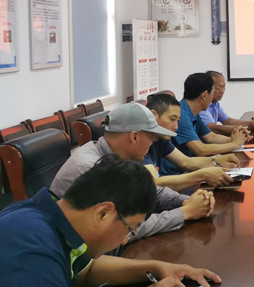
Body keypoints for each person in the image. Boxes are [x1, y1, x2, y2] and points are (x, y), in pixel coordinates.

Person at [0, 155, 221, 287]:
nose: (125, 239)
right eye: (130, 228)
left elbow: (86, 270)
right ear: (103, 213)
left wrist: (157, 268)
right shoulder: (31, 249)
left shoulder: (58, 218)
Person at [51, 103, 215, 243]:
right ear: (134, 137)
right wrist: (184, 213)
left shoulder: (118, 156)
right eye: (151, 138)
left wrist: (187, 201)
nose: (151, 145)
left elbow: (146, 191)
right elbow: (123, 229)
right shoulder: (92, 169)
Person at [145, 93, 241, 191]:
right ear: (153, 116)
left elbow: (186, 162)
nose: (176, 127)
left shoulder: (161, 138)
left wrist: (217, 160)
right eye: (172, 119)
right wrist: (202, 175)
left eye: (177, 121)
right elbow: (153, 183)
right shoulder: (140, 141)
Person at [160, 73, 250, 176]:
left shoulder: (193, 112)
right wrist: (234, 144)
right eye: (212, 93)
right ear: (204, 95)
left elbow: (211, 137)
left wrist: (236, 138)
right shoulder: (181, 115)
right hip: (174, 174)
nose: (212, 98)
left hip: (186, 169)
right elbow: (200, 150)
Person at [199, 71, 254, 135]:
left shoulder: (215, 104)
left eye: (224, 87)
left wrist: (250, 124)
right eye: (218, 87)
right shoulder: (201, 105)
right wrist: (247, 128)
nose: (222, 91)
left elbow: (228, 121)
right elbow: (213, 128)